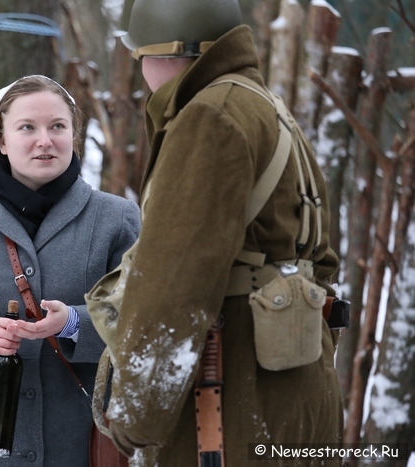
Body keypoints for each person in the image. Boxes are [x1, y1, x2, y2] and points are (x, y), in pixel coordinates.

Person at [86, 0, 343, 465]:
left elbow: (173, 284)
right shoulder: (265, 107)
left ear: (165, 52)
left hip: (233, 402)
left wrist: (134, 416)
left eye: (140, 53)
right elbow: (320, 263)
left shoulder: (210, 116)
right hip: (298, 393)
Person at [0, 75, 141, 466]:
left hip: (84, 446)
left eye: (58, 127)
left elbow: (141, 322)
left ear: (73, 135)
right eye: (27, 127)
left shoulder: (116, 219)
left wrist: (73, 323)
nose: (44, 140)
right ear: (0, 140)